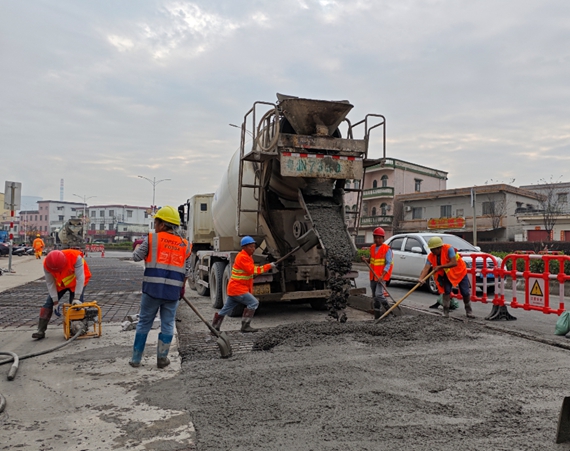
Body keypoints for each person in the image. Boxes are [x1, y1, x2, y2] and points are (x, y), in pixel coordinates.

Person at [130, 205, 192, 368]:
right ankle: (162, 359)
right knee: (168, 323)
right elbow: (187, 271)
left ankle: (136, 359)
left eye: (156, 223)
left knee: (144, 322)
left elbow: (136, 257)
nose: (155, 226)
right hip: (172, 293)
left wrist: (138, 246)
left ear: (162, 224)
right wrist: (182, 288)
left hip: (152, 291)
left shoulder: (152, 239)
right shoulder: (185, 245)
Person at [211, 236, 275, 333]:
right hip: (238, 289)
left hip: (234, 289)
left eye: (254, 246)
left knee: (225, 309)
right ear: (244, 247)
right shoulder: (243, 257)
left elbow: (247, 272)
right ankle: (245, 326)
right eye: (251, 247)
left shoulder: (247, 256)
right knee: (254, 303)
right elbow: (254, 270)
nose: (253, 249)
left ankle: (214, 327)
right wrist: (269, 266)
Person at [32, 249, 91, 339]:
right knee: (48, 304)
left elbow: (80, 278)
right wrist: (55, 301)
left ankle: (77, 328)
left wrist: (76, 298)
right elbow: (50, 283)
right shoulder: (47, 264)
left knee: (76, 306)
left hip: (76, 283)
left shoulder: (75, 258)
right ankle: (40, 331)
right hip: (61, 284)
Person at [419, 236, 475, 319]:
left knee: (465, 292)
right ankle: (445, 312)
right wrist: (421, 278)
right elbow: (426, 268)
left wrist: (440, 267)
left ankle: (469, 311)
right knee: (446, 291)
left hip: (459, 272)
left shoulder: (449, 249)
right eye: (430, 249)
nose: (431, 251)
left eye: (433, 249)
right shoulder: (431, 256)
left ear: (439, 248)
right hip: (447, 274)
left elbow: (454, 263)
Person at [361, 227, 393, 319]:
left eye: (379, 238)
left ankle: (389, 311)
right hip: (373, 276)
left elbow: (388, 263)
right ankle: (377, 315)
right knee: (375, 296)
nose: (377, 239)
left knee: (379, 294)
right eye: (376, 237)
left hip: (381, 276)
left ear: (383, 238)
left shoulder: (387, 249)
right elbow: (371, 260)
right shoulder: (372, 248)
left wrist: (382, 276)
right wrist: (365, 259)